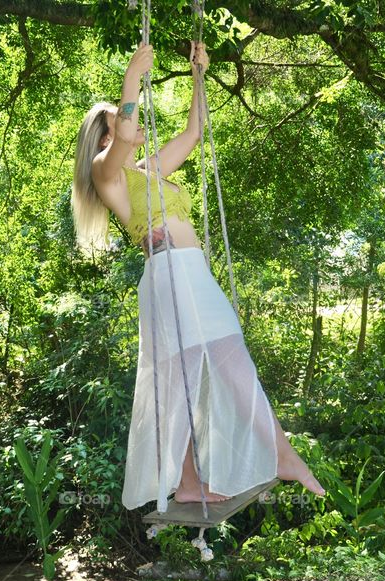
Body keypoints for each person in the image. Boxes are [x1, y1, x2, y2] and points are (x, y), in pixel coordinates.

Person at [71, 41, 325, 513]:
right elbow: (125, 135)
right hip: (170, 274)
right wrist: (131, 78)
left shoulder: (148, 171)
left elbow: (195, 132)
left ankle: (190, 482)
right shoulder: (108, 174)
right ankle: (282, 456)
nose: (133, 124)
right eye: (118, 124)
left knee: (188, 375)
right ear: (104, 139)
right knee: (214, 363)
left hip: (189, 273)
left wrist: (199, 76)